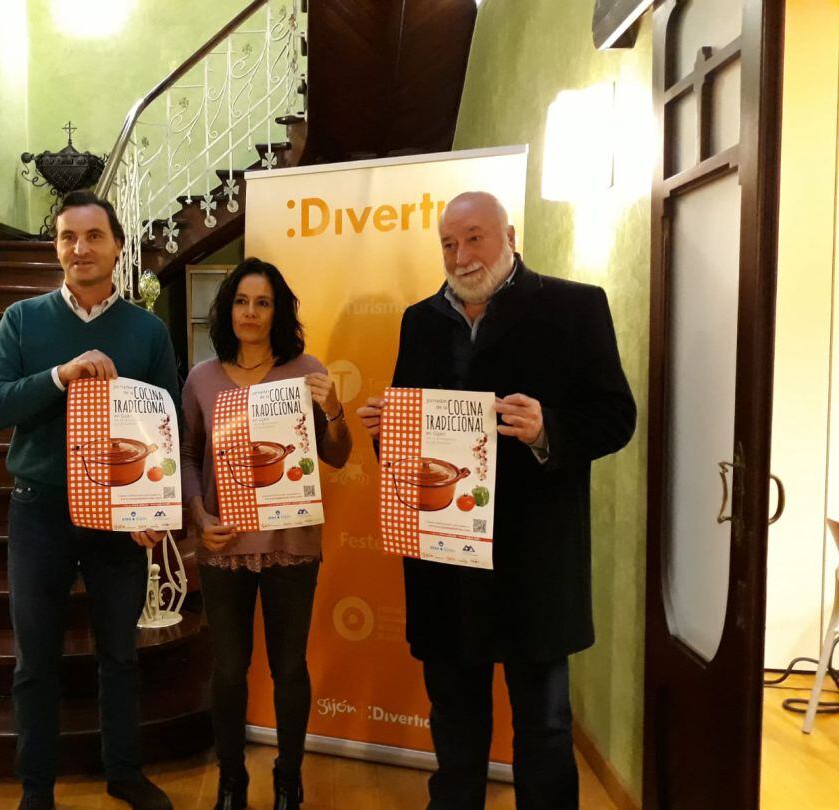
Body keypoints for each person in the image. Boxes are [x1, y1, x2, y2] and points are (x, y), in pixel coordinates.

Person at [357, 191, 636, 810]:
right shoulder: (420, 320)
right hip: (445, 559)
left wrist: (546, 430)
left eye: (475, 238)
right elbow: (414, 448)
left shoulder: (574, 306)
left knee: (545, 724)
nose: (461, 255)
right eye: (449, 244)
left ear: (509, 237)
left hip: (534, 561)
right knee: (455, 724)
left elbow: (617, 416)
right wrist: (388, 433)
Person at [0, 189, 177, 810]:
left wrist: (156, 509)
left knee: (119, 654)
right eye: (68, 237)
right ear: (56, 247)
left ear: (118, 247)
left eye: (93, 236)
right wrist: (58, 376)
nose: (80, 248)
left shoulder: (147, 330)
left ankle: (124, 772)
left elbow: (167, 427)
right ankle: (36, 788)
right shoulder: (22, 320)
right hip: (39, 511)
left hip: (120, 516)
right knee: (35, 659)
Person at [180, 258, 352, 810]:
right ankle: (231, 779)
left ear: (278, 313)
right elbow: (187, 455)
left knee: (289, 668)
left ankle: (288, 778)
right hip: (224, 545)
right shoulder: (201, 378)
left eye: (262, 303)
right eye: (241, 301)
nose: (250, 313)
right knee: (229, 669)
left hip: (290, 545)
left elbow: (337, 455)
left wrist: (334, 410)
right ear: (226, 309)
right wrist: (199, 517)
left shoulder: (306, 371)